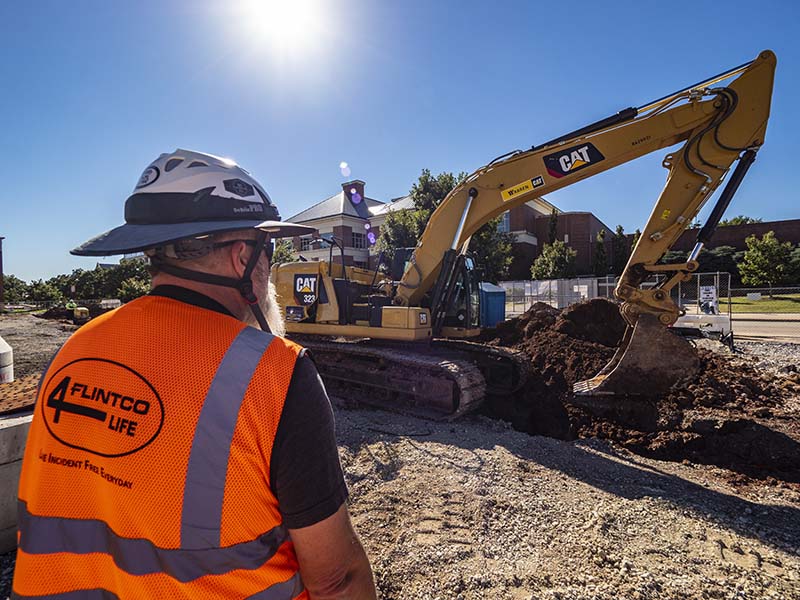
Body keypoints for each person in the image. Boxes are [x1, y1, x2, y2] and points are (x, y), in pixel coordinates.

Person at [12, 149, 377, 599]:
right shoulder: (275, 375)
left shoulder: (74, 352)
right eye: (268, 248)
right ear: (243, 257)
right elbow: (336, 580)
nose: (270, 265)